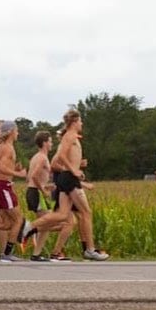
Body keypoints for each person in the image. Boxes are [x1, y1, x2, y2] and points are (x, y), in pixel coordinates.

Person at [26, 109, 108, 261]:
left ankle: (28, 228)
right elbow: (61, 157)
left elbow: (66, 157)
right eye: (81, 121)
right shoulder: (70, 136)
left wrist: (78, 166)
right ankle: (89, 250)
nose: (82, 124)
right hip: (69, 178)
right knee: (86, 213)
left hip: (68, 177)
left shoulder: (72, 137)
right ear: (75, 122)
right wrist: (74, 170)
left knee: (63, 215)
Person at [25, 131, 74, 262]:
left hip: (33, 191)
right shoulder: (42, 158)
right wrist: (43, 190)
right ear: (45, 143)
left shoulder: (35, 157)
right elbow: (34, 176)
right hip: (36, 193)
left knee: (46, 225)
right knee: (48, 222)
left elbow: (28, 178)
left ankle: (36, 253)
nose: (52, 144)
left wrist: (47, 186)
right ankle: (26, 231)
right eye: (51, 141)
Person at [0, 121, 28, 262]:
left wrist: (13, 168)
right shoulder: (8, 148)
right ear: (11, 131)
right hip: (3, 187)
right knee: (18, 220)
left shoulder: (0, 147)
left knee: (7, 224)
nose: (18, 133)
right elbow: (0, 168)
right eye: (17, 131)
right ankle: (7, 254)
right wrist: (18, 174)